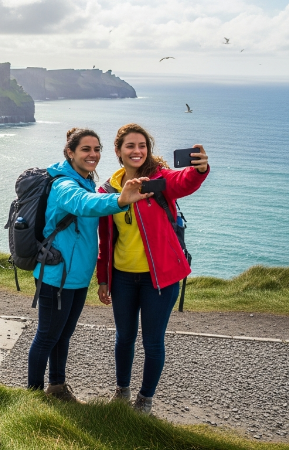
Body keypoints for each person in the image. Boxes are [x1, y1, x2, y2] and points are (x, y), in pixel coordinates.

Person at [27, 128, 151, 401]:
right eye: (85, 149)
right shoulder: (64, 185)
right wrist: (119, 200)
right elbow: (83, 204)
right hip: (56, 276)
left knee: (63, 335)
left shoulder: (83, 181)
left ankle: (57, 387)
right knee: (47, 336)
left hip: (77, 276)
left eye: (97, 149)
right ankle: (32, 397)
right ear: (70, 152)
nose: (93, 155)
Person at [97, 123, 209, 414]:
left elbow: (182, 181)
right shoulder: (109, 189)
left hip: (160, 279)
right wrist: (104, 280)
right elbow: (106, 240)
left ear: (148, 150)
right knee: (124, 337)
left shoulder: (159, 180)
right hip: (122, 277)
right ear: (118, 151)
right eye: (130, 146)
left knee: (153, 341)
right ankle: (122, 391)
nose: (137, 151)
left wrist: (198, 170)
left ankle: (145, 399)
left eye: (142, 146)